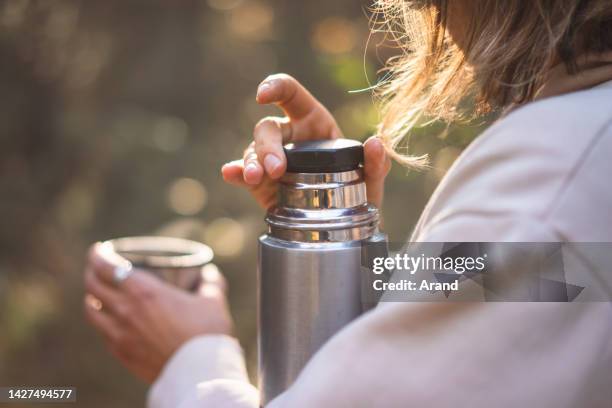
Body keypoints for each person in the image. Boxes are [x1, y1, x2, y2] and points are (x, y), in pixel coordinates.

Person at [84, 0, 612, 407]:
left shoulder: (545, 188)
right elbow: (558, 282)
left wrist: (191, 360)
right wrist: (336, 249)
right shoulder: (580, 152)